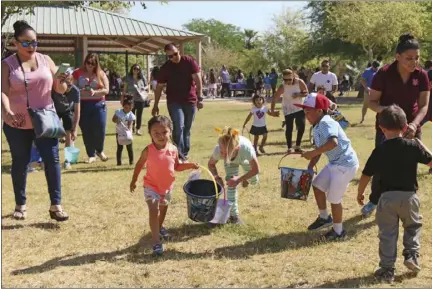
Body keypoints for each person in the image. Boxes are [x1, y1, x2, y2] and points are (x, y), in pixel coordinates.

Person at [1, 20, 69, 221]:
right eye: (26, 43)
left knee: (52, 160)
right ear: (15, 43)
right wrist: (7, 111)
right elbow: (3, 92)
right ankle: (20, 205)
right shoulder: (7, 65)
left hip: (46, 120)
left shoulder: (46, 60)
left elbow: (60, 89)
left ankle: (56, 205)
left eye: (35, 43)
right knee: (20, 163)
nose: (31, 47)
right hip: (17, 122)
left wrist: (63, 80)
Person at [357, 105, 432, 283]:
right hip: (409, 197)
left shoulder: (380, 150)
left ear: (381, 128)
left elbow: (366, 174)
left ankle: (387, 270)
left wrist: (360, 193)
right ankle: (412, 256)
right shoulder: (413, 146)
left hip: (387, 198)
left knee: (388, 234)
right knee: (412, 227)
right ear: (405, 126)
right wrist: (419, 142)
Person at [362, 33, 431, 218]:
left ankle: (410, 203)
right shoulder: (383, 74)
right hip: (387, 127)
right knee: (381, 166)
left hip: (412, 127)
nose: (413, 62)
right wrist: (392, 114)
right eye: (409, 58)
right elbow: (372, 102)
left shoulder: (422, 75)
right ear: (397, 56)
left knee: (411, 166)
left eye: (417, 58)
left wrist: (414, 125)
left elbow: (424, 105)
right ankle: (374, 200)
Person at [130, 115, 199, 256]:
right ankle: (156, 242)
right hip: (151, 186)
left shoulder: (173, 149)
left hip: (167, 188)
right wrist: (134, 180)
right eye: (156, 133)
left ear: (170, 132)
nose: (161, 136)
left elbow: (177, 166)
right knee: (153, 210)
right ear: (150, 134)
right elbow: (139, 165)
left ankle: (159, 226)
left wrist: (190, 165)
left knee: (163, 210)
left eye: (164, 132)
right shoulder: (148, 150)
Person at [298, 93, 359, 240]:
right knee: (318, 185)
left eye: (308, 111)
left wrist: (311, 152)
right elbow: (321, 148)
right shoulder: (317, 125)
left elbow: (333, 143)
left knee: (334, 198)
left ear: (319, 110)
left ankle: (339, 232)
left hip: (345, 165)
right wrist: (310, 166)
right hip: (335, 163)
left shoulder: (326, 122)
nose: (306, 114)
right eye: (304, 111)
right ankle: (325, 218)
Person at [152, 44, 204, 162]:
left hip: (190, 100)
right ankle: (179, 155)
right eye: (170, 56)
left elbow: (197, 79)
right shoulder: (166, 68)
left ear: (178, 51)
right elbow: (159, 87)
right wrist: (155, 105)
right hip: (174, 101)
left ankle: (185, 152)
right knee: (178, 126)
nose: (174, 57)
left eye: (175, 54)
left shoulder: (189, 61)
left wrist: (200, 97)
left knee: (187, 128)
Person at [208, 127, 260, 225]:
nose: (222, 155)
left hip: (244, 159)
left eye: (226, 152)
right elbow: (211, 164)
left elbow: (256, 169)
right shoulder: (218, 150)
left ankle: (246, 180)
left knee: (254, 181)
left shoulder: (246, 149)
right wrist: (216, 177)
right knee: (231, 185)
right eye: (221, 151)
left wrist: (240, 179)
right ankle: (234, 216)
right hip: (231, 162)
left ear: (237, 148)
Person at [73, 53, 109, 164]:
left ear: (96, 64)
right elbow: (71, 87)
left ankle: (99, 150)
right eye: (88, 62)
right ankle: (91, 154)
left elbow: (106, 90)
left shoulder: (101, 74)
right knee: (86, 130)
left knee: (100, 129)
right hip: (83, 105)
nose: (90, 65)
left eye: (93, 64)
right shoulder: (77, 73)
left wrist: (95, 92)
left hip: (98, 104)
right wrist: (80, 90)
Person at [271, 69, 309, 153]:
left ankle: (298, 146)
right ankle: (289, 147)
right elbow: (275, 98)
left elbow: (306, 93)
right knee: (289, 128)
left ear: (293, 76)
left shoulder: (300, 82)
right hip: (288, 108)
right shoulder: (283, 86)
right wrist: (272, 111)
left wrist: (299, 94)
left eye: (289, 79)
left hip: (299, 107)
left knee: (301, 126)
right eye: (285, 79)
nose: (287, 81)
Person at [51, 74, 80, 170]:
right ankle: (51, 160)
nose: (68, 88)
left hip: (68, 111)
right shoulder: (55, 88)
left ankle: (67, 161)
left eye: (70, 85)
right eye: (66, 84)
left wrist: (75, 129)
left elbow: (77, 111)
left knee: (69, 135)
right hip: (55, 110)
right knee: (52, 134)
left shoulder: (75, 91)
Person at [123, 63, 148, 136]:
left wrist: (144, 88)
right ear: (132, 69)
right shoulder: (128, 77)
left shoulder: (142, 77)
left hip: (140, 98)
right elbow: (125, 88)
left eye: (138, 69)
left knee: (139, 115)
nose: (136, 70)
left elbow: (147, 86)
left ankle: (138, 129)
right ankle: (131, 128)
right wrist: (124, 97)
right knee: (131, 114)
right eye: (134, 68)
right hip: (131, 99)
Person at [113, 97, 135, 166]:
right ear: (123, 106)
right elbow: (113, 120)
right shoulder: (118, 112)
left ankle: (131, 161)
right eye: (126, 107)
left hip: (128, 133)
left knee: (129, 148)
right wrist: (117, 120)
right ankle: (119, 162)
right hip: (119, 132)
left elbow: (130, 124)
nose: (128, 110)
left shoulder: (131, 115)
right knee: (119, 147)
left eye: (130, 108)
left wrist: (128, 131)